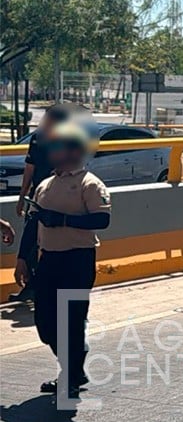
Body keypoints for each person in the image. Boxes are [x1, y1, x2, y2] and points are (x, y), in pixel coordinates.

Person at [20, 121, 112, 399]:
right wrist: (23, 259)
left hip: (77, 261)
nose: (53, 152)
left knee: (70, 321)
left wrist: (61, 220)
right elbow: (34, 222)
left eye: (58, 147)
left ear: (73, 151)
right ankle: (75, 367)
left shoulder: (89, 184)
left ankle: (70, 376)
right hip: (49, 261)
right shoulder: (46, 185)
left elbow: (102, 219)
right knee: (46, 324)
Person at [11, 104, 71, 302]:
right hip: (37, 197)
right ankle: (30, 286)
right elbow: (30, 168)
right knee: (29, 238)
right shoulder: (37, 139)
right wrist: (22, 197)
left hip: (58, 199)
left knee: (50, 245)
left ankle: (48, 288)